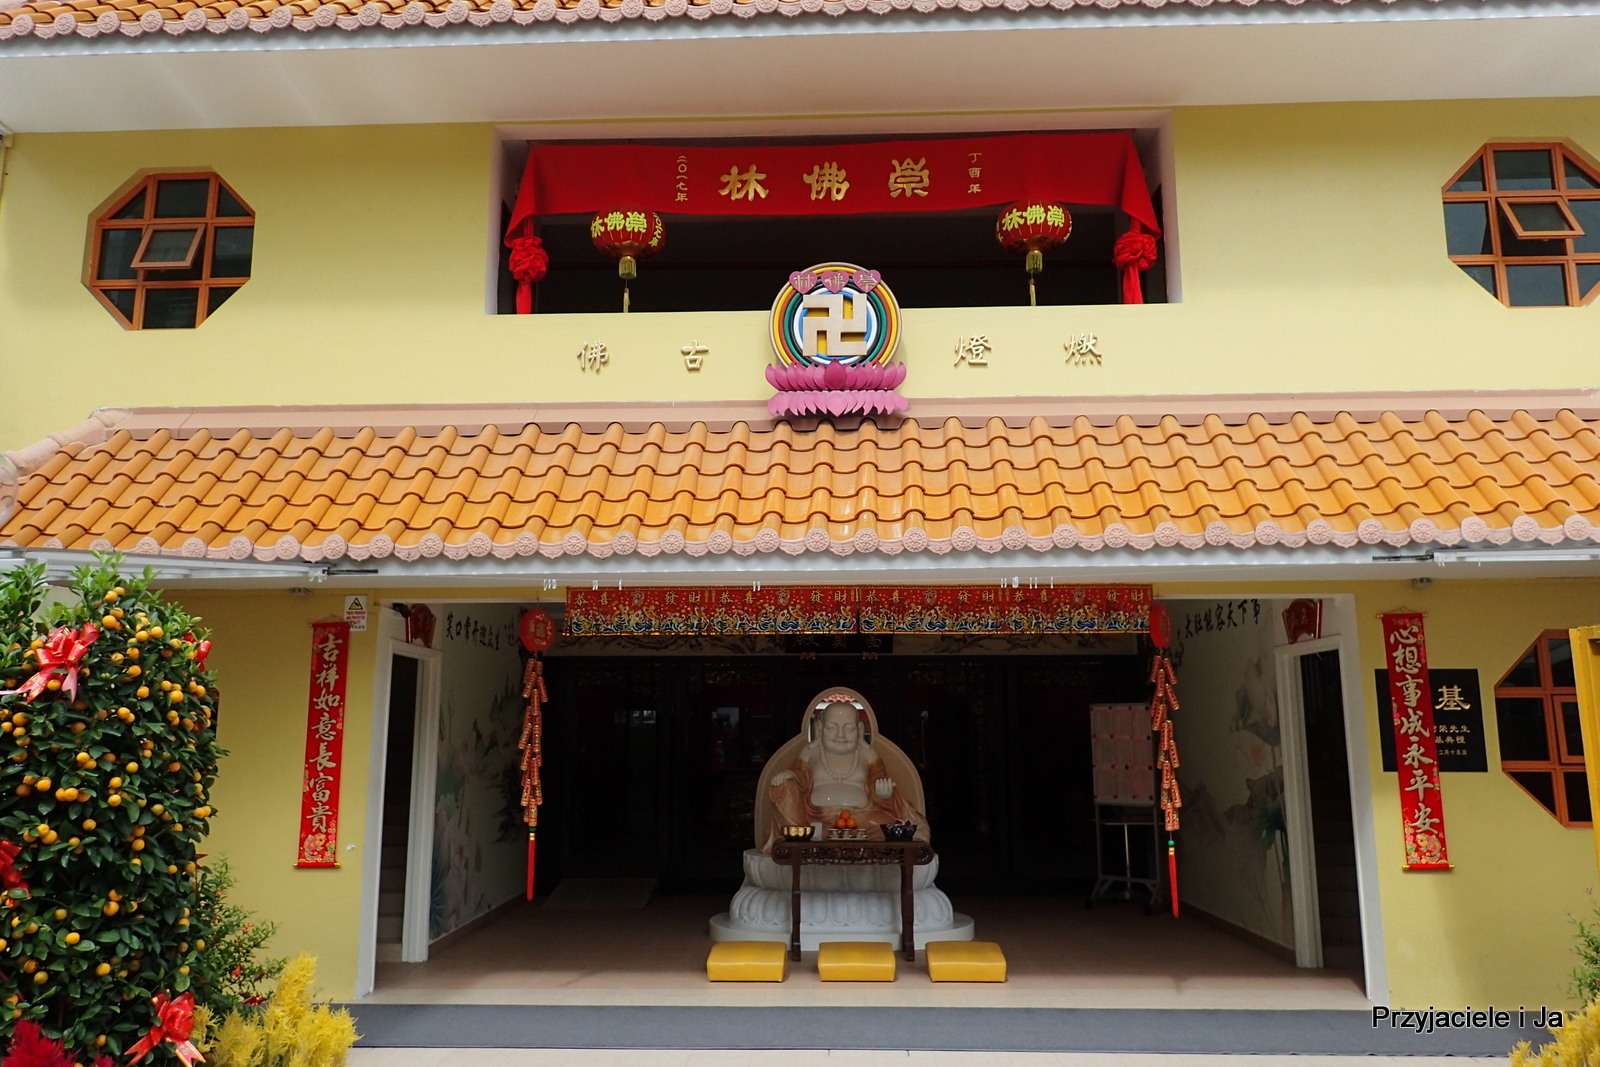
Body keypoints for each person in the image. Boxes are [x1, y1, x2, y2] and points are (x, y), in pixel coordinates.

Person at [765, 699, 929, 849]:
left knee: (882, 823)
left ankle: (819, 833)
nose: (840, 735)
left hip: (860, 817)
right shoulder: (811, 751)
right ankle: (816, 831)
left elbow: (877, 781)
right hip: (814, 815)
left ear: (860, 729)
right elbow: (800, 775)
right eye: (832, 728)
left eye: (849, 728)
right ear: (820, 728)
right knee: (785, 787)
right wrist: (789, 775)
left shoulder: (867, 754)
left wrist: (884, 794)